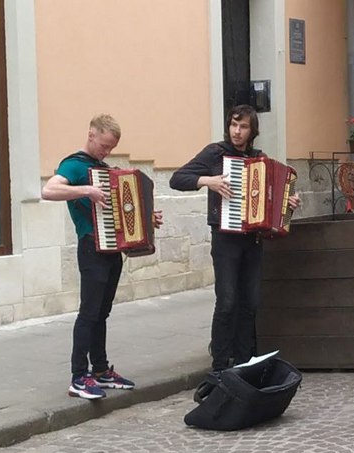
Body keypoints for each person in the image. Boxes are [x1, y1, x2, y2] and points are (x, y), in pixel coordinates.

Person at [169, 105, 300, 373]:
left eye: (243, 127)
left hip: (252, 240)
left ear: (252, 131)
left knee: (250, 303)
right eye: (233, 125)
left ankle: (243, 363)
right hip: (225, 239)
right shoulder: (215, 153)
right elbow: (177, 179)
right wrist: (208, 181)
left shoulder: (259, 159)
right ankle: (219, 364)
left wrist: (289, 201)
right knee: (227, 301)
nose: (237, 132)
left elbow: (274, 197)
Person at [42, 114, 164, 400]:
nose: (106, 152)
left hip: (111, 249)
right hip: (91, 246)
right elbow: (48, 190)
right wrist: (86, 190)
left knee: (102, 312)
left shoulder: (103, 169)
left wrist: (148, 219)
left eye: (110, 148)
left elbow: (123, 212)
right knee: (88, 312)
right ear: (91, 135)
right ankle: (78, 376)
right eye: (104, 146)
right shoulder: (74, 164)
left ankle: (100, 369)